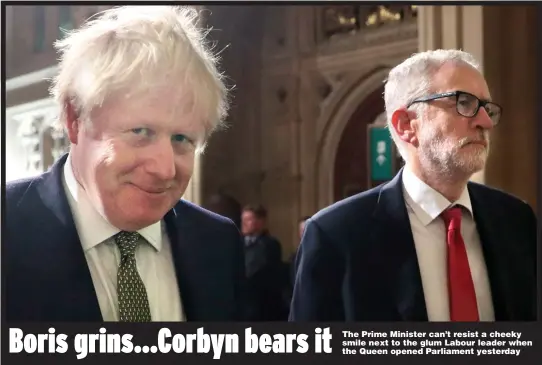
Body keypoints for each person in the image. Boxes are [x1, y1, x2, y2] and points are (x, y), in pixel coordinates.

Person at [5, 6, 246, 322]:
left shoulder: (217, 243)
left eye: (182, 140)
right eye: (141, 132)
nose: (165, 170)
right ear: (75, 119)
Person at [289, 49, 537, 322]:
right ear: (407, 124)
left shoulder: (515, 220)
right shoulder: (336, 235)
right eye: (463, 103)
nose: (485, 122)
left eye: (487, 108)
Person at [241, 204, 287, 320]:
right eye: (244, 219)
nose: (245, 223)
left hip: (261, 305)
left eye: (249, 219)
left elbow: (255, 270)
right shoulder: (237, 242)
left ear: (261, 221)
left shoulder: (269, 245)